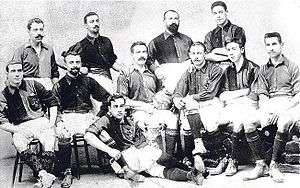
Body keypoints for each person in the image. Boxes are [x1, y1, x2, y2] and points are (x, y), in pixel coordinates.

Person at [85, 94, 204, 185]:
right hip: (126, 157)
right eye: (115, 107)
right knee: (158, 158)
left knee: (160, 169)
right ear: (109, 109)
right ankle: (192, 171)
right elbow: (88, 136)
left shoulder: (128, 118)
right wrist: (109, 150)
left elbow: (140, 138)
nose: (119, 109)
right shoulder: (105, 119)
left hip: (139, 153)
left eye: (122, 106)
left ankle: (190, 174)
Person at [242, 32, 300, 183]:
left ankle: (274, 165)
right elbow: (262, 94)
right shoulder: (262, 69)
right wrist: (269, 110)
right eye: (268, 45)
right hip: (269, 104)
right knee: (248, 123)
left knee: (283, 122)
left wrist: (282, 110)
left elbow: (298, 95)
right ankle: (261, 165)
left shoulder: (292, 66)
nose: (271, 48)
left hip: (289, 105)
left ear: (281, 45)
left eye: (274, 44)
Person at [52, 50, 110, 188]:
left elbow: (107, 98)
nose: (75, 65)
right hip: (68, 117)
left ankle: (115, 164)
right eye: (71, 62)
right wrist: (59, 122)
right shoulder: (58, 86)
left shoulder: (88, 81)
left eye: (77, 62)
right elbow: (54, 108)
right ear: (65, 65)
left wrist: (99, 116)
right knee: (63, 135)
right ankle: (67, 173)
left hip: (86, 116)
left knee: (104, 132)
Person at [117, 41, 181, 162]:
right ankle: (151, 157)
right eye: (138, 52)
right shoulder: (125, 74)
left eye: (144, 52)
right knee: (145, 123)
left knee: (172, 119)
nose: (142, 55)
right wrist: (143, 106)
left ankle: (169, 156)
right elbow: (122, 100)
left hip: (154, 108)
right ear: (132, 55)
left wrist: (160, 98)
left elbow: (161, 91)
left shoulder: (153, 73)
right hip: (137, 111)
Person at [0, 61, 58, 188]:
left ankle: (43, 178)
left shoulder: (33, 84)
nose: (17, 74)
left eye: (19, 71)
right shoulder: (4, 95)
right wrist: (18, 130)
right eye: (13, 71)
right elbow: (1, 121)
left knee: (49, 138)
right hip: (20, 126)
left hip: (41, 121)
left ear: (23, 72)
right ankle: (45, 175)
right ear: (7, 74)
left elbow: (52, 101)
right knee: (18, 141)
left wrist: (51, 123)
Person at [172, 42, 225, 173]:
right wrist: (177, 99)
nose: (196, 57)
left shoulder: (215, 69)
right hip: (195, 106)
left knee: (209, 120)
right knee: (185, 121)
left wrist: (190, 98)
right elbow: (179, 89)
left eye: (199, 53)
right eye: (193, 53)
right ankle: (191, 156)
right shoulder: (189, 71)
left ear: (205, 54)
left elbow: (210, 93)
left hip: (212, 102)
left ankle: (221, 157)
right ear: (189, 55)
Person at [216, 37, 259, 176]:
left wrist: (234, 97)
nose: (231, 52)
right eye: (228, 50)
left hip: (251, 107)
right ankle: (225, 158)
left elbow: (254, 96)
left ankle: (233, 161)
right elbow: (222, 95)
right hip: (234, 106)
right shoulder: (228, 71)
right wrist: (242, 92)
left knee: (238, 120)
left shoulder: (253, 68)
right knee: (217, 120)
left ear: (242, 50)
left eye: (234, 49)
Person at [67, 12, 119, 94]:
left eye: (97, 21)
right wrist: (79, 68)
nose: (95, 24)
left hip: (107, 80)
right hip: (91, 81)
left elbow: (112, 62)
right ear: (85, 25)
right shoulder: (81, 45)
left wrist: (124, 70)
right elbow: (64, 59)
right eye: (92, 22)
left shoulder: (106, 41)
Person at [12, 18, 60, 90]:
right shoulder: (21, 51)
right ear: (29, 31)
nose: (39, 33)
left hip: (47, 88)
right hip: (28, 88)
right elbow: (14, 73)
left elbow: (54, 72)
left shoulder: (49, 49)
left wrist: (55, 88)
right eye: (35, 30)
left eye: (41, 29)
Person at [148, 10, 193, 78]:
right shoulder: (155, 42)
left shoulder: (187, 40)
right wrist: (156, 69)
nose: (173, 21)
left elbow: (195, 55)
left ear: (179, 21)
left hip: (188, 77)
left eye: (176, 18)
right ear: (164, 21)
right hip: (168, 78)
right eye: (170, 18)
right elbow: (148, 60)